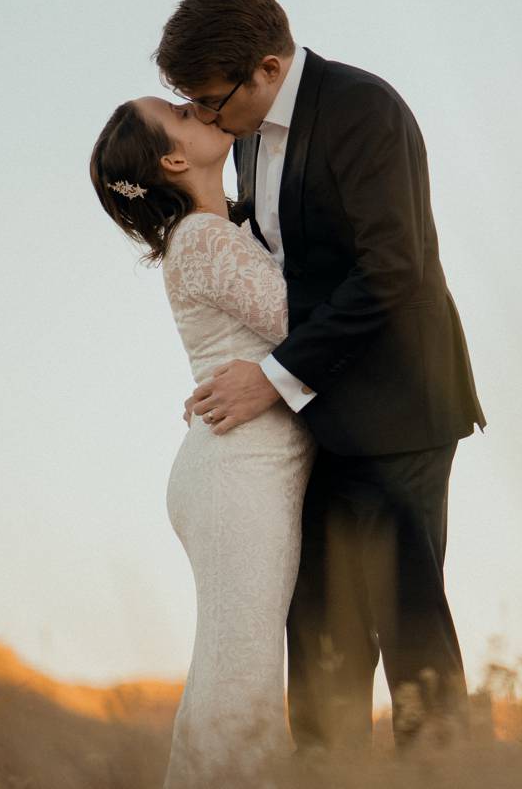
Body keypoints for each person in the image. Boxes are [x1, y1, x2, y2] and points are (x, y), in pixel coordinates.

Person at [157, 0, 487, 753]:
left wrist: (267, 377)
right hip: (314, 427)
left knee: (409, 635)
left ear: (268, 68)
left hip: (400, 412)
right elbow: (285, 269)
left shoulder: (364, 110)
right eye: (194, 105)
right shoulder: (242, 135)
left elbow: (394, 272)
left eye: (211, 99)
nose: (206, 117)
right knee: (320, 650)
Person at [90, 96, 313, 786]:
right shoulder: (204, 238)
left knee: (229, 669)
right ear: (174, 159)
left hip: (234, 466)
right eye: (183, 113)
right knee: (240, 679)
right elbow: (298, 321)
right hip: (237, 473)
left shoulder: (213, 231)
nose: (201, 108)